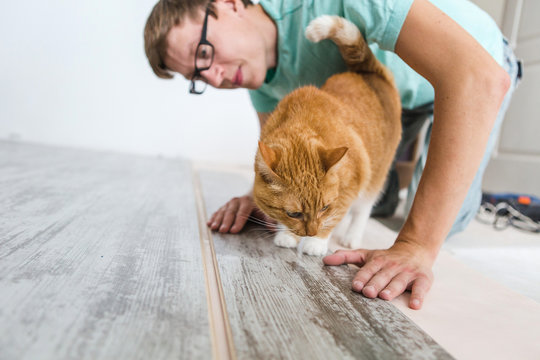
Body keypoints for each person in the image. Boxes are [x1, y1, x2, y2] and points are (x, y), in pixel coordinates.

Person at [144, 0, 521, 309]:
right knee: (365, 198)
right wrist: (256, 197)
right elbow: (289, 167)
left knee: (437, 223)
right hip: (380, 109)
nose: (213, 78)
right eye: (197, 77)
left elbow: (480, 78)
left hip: (470, 71)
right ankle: (410, 165)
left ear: (228, 5)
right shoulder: (258, 79)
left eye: (204, 53)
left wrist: (416, 245)